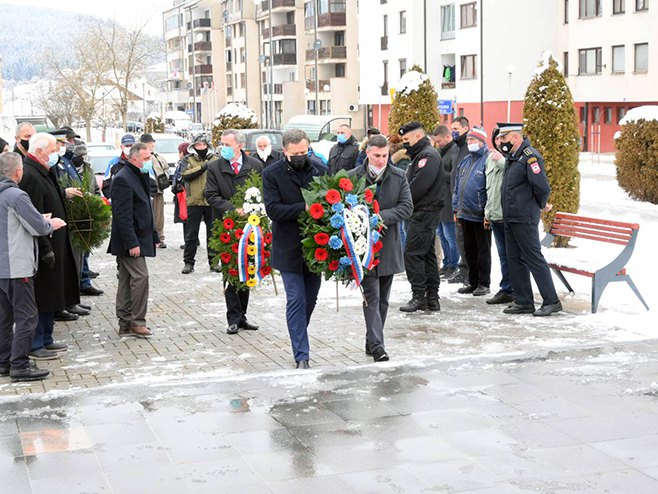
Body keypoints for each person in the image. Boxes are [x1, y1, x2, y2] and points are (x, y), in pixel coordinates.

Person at [0, 153, 68, 381]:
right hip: (16, 266)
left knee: (4, 317)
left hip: (2, 268)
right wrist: (50, 223)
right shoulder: (16, 195)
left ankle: (4, 361)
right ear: (18, 172)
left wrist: (38, 217)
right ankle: (19, 364)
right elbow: (38, 227)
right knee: (28, 316)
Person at [263, 129, 326, 369]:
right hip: (287, 247)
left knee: (310, 300)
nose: (301, 156)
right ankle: (302, 355)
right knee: (296, 300)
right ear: (285, 151)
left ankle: (297, 331)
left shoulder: (320, 170)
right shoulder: (272, 174)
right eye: (296, 153)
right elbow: (274, 210)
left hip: (316, 247)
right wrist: (306, 208)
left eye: (304, 152)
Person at [348, 136, 413, 362]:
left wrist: (378, 217)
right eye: (377, 156)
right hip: (362, 249)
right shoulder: (352, 177)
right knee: (372, 297)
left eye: (385, 156)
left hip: (387, 246)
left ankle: (371, 339)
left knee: (383, 299)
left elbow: (406, 207)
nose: (381, 160)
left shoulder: (399, 176)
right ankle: (378, 346)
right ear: (367, 153)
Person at [19, 133, 82, 360]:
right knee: (42, 294)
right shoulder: (30, 175)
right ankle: (36, 343)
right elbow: (33, 215)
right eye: (53, 149)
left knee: (52, 292)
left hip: (55, 240)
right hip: (42, 247)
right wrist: (45, 247)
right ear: (39, 152)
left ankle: (46, 337)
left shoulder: (44, 171)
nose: (57, 153)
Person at [498, 123, 562, 317]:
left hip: (524, 216)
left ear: (516, 137)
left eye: (504, 138)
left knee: (533, 258)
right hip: (510, 215)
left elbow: (541, 186)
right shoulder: (513, 157)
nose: (501, 143)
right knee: (514, 259)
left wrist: (542, 204)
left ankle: (552, 301)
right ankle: (523, 301)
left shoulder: (530, 156)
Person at [205, 129, 263, 334]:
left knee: (247, 268)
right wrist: (232, 209)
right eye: (222, 144)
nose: (223, 148)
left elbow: (261, 193)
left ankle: (242, 315)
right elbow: (211, 196)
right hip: (226, 226)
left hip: (250, 227)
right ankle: (233, 317)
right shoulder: (214, 167)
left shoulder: (255, 165)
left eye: (228, 145)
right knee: (230, 271)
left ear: (239, 145)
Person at [107, 142, 160, 337]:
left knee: (127, 278)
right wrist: (132, 243)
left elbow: (146, 207)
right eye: (146, 159)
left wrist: (153, 234)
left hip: (141, 236)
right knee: (140, 277)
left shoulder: (141, 175)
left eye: (150, 157)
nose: (149, 161)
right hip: (129, 239)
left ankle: (126, 322)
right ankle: (137, 321)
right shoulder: (123, 178)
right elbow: (122, 215)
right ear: (134, 159)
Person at [398, 121, 445, 312]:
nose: (405, 144)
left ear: (418, 136)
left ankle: (419, 296)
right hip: (422, 212)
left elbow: (418, 186)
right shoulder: (421, 155)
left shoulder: (428, 156)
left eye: (407, 139)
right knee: (426, 255)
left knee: (413, 254)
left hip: (424, 212)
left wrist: (402, 201)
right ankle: (431, 298)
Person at [452, 126, 492, 297]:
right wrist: (455, 208)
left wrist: (488, 213)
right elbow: (457, 185)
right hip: (464, 213)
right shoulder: (466, 160)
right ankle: (472, 281)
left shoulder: (488, 159)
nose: (470, 143)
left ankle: (484, 283)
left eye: (474, 140)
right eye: (468, 140)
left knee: (483, 250)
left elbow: (491, 188)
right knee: (469, 250)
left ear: (482, 142)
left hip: (480, 214)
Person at [485, 128, 515, 305]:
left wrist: (503, 161)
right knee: (503, 255)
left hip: (507, 215)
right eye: (497, 138)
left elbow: (513, 175)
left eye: (502, 138)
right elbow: (489, 187)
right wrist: (487, 212)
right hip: (494, 213)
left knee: (511, 255)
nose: (499, 142)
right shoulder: (490, 158)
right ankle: (506, 288)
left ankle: (513, 289)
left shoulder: (511, 157)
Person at [181, 134, 218, 274]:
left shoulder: (215, 158)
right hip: (194, 201)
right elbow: (184, 174)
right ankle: (188, 263)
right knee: (191, 235)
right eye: (198, 145)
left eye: (204, 145)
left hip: (211, 201)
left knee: (213, 234)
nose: (201, 147)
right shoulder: (188, 158)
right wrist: (202, 167)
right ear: (194, 146)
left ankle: (214, 262)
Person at [432, 125, 460, 279]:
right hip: (440, 199)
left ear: (447, 136)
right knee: (441, 234)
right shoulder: (441, 151)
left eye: (439, 140)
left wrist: (439, 173)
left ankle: (454, 264)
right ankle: (447, 263)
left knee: (450, 235)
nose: (438, 143)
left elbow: (454, 174)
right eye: (436, 141)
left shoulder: (454, 150)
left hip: (449, 199)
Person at [447, 116, 471, 285]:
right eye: (452, 129)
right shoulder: (457, 147)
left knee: (464, 239)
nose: (454, 132)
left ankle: (467, 272)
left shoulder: (469, 147)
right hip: (456, 201)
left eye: (456, 129)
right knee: (459, 238)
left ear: (466, 128)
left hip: (467, 203)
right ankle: (463, 269)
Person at [139, 133, 170, 248]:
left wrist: (164, 178)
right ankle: (147, 238)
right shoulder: (139, 156)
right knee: (146, 215)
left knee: (159, 216)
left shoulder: (158, 157)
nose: (152, 145)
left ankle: (160, 238)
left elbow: (166, 169)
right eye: (149, 144)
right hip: (144, 191)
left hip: (158, 191)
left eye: (152, 144)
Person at [103, 133, 135, 199]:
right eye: (127, 146)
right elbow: (106, 183)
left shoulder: (141, 162)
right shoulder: (113, 163)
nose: (129, 148)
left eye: (131, 145)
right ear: (121, 147)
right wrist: (112, 199)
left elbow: (151, 182)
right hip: (119, 203)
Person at [172, 142, 190, 249]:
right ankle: (192, 240)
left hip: (183, 193)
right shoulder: (185, 161)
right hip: (183, 193)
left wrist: (176, 187)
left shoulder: (184, 162)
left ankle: (188, 240)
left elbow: (179, 177)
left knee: (185, 218)